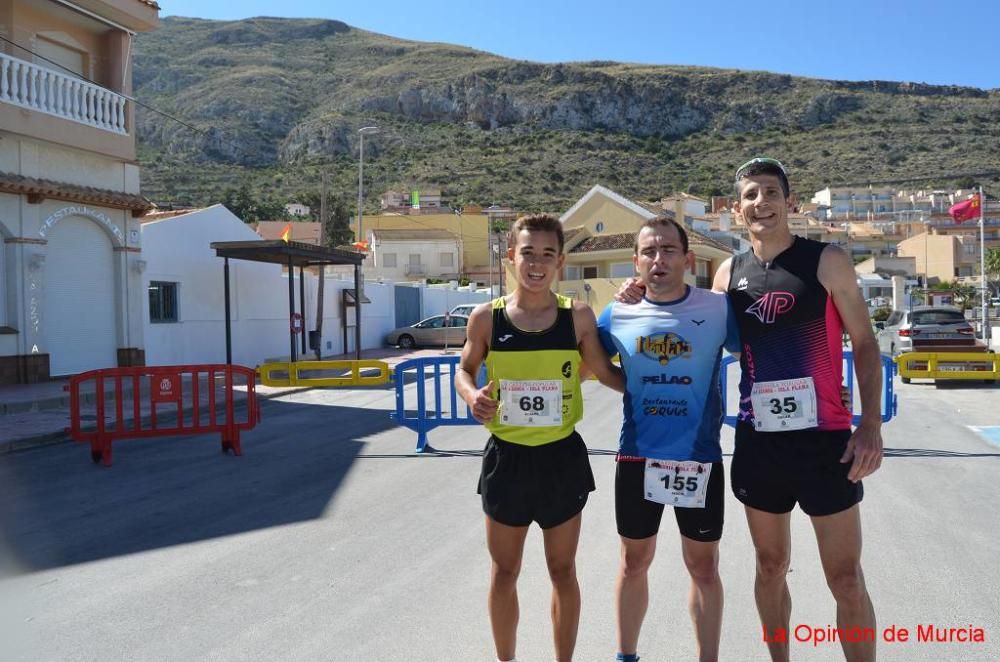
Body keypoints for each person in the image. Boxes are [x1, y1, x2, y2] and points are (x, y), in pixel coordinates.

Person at [619, 158, 883, 661]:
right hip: (759, 443)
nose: (761, 202)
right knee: (769, 566)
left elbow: (865, 342)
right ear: (737, 210)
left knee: (846, 578)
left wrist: (868, 423)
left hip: (826, 440)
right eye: (750, 196)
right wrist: (637, 294)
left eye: (770, 192)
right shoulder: (727, 274)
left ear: (789, 202)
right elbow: (685, 318)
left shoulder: (826, 260)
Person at [456, 213, 625, 662]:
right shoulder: (486, 318)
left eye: (547, 254)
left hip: (560, 459)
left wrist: (657, 386)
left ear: (560, 261)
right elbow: (464, 369)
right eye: (527, 252)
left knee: (563, 570)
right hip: (506, 460)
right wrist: (472, 396)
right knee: (504, 572)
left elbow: (606, 372)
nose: (536, 262)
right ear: (511, 256)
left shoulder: (578, 317)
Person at [597, 216, 740, 662]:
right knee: (632, 563)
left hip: (698, 460)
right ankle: (626, 655)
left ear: (688, 258)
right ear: (636, 261)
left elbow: (761, 354)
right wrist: (634, 387)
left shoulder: (718, 310)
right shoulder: (617, 312)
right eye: (649, 252)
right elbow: (594, 364)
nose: (659, 259)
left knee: (703, 567)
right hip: (638, 457)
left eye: (668, 250)